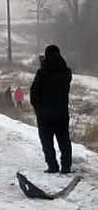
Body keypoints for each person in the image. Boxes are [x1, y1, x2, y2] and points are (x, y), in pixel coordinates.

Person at [30, 45, 72, 174]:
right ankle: (66, 166)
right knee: (64, 140)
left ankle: (52, 166)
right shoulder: (66, 72)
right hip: (61, 113)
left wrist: (37, 107)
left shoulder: (43, 72)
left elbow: (34, 92)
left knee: (47, 142)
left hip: (44, 115)